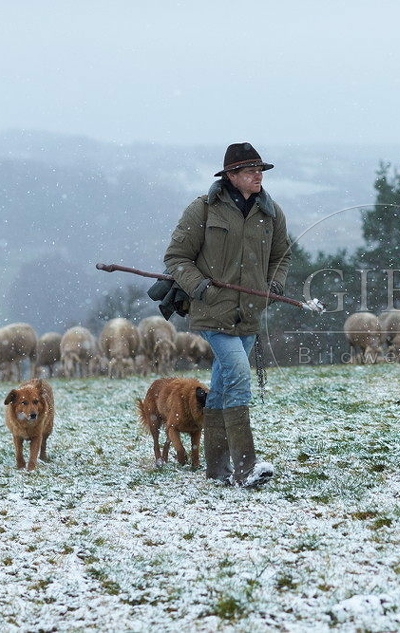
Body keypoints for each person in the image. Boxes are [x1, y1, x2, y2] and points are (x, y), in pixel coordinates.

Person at [164, 142, 291, 488]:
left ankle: (216, 471)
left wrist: (274, 286)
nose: (258, 176)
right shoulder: (203, 209)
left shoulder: (271, 212)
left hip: (249, 315)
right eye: (250, 171)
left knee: (220, 388)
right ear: (231, 176)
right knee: (238, 378)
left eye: (260, 170)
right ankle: (245, 468)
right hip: (212, 313)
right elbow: (176, 258)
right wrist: (201, 288)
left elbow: (282, 256)